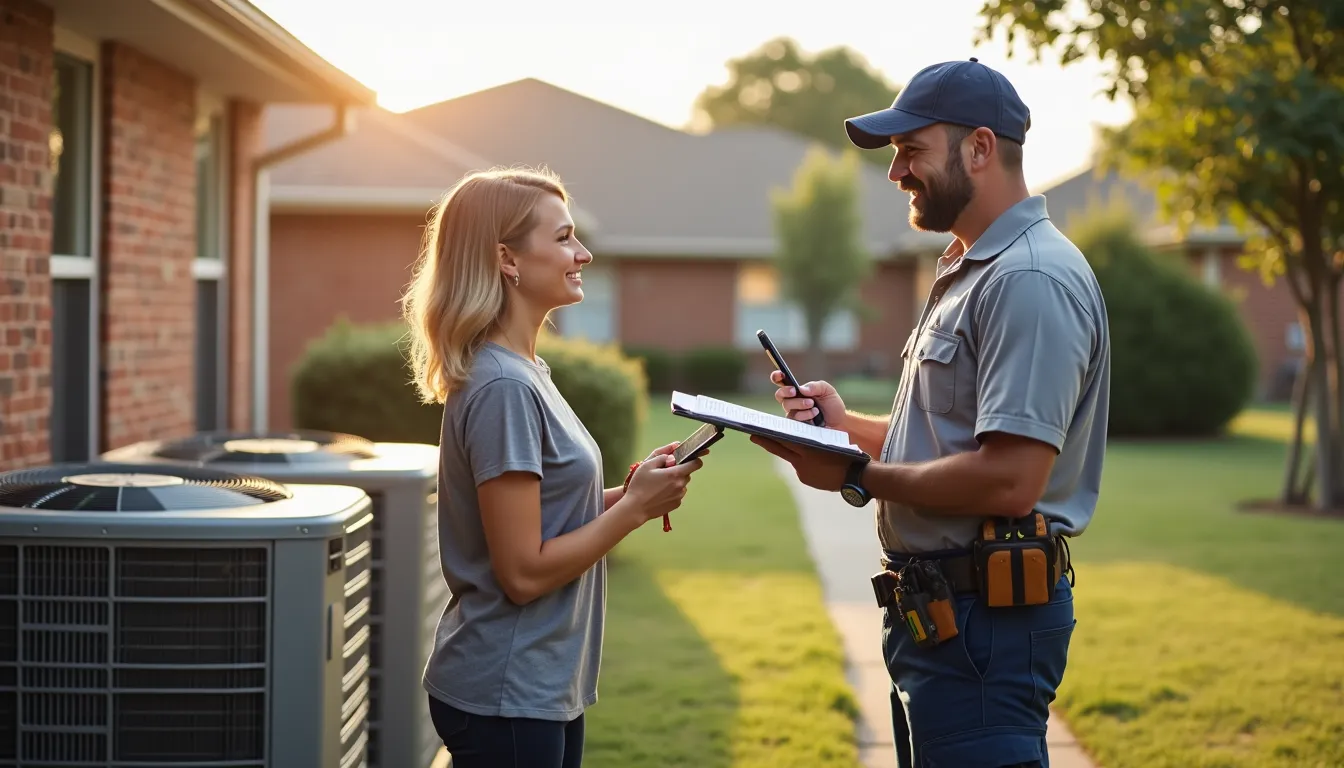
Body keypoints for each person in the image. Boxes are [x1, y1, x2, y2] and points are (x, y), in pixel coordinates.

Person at [750, 58, 1111, 768]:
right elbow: (953, 442)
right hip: (949, 622)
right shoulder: (972, 268)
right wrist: (845, 427)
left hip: (985, 630)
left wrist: (855, 473)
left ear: (979, 148)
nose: (896, 174)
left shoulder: (1028, 279)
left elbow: (1008, 481)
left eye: (911, 151)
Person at [401, 167, 705, 768]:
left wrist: (630, 494)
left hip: (537, 689)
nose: (583, 253)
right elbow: (523, 573)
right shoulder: (503, 387)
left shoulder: (526, 372)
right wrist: (636, 512)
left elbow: (544, 521)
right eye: (564, 238)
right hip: (507, 694)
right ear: (506, 258)